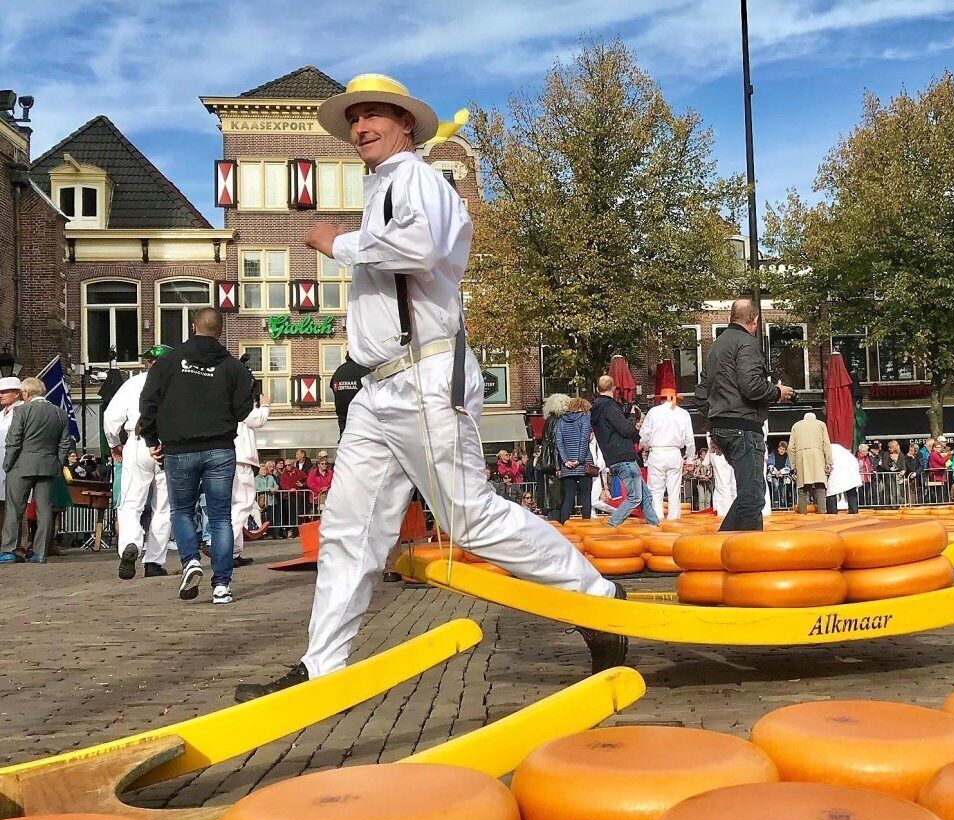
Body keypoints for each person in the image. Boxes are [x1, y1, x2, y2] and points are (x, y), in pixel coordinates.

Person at [237, 75, 625, 700]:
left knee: (467, 516)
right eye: (354, 119)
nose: (361, 127)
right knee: (347, 526)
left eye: (374, 116)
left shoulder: (416, 178)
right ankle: (321, 665)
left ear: (406, 125)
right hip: (378, 386)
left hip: (423, 373)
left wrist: (338, 242)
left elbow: (420, 248)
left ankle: (599, 595)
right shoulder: (383, 187)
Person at [138, 307, 254, 603]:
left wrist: (152, 439)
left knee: (181, 510)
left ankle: (190, 560)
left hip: (179, 448)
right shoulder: (233, 367)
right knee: (220, 517)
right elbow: (244, 410)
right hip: (219, 448)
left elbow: (148, 402)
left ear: (193, 326)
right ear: (220, 330)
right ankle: (222, 585)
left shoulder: (168, 362)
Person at [696, 298, 794, 531]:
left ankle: (727, 546)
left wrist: (713, 425)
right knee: (753, 496)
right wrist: (777, 391)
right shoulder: (747, 343)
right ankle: (740, 555)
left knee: (750, 492)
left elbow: (701, 395)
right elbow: (750, 386)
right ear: (755, 320)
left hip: (722, 426)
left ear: (731, 317)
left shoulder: (715, 347)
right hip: (743, 426)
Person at [103, 346, 174, 579]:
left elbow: (111, 417)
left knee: (131, 502)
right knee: (163, 507)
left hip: (138, 441)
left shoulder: (134, 383)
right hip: (170, 445)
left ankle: (130, 545)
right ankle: (154, 561)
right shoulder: (179, 383)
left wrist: (114, 443)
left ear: (148, 363)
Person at [0, 377, 72, 564]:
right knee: (45, 510)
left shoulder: (22, 410)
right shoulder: (60, 413)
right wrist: (58, 462)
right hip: (48, 466)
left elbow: (14, 440)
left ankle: (10, 550)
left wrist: (7, 464)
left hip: (21, 466)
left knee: (14, 509)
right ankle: (40, 552)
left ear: (26, 393)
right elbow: (66, 443)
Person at [592, 375, 658, 527]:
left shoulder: (596, 410)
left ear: (597, 389)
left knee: (646, 495)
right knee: (635, 497)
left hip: (613, 456)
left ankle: (654, 524)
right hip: (623, 456)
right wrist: (633, 416)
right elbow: (626, 429)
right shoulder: (609, 407)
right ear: (614, 388)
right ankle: (612, 523)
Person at [640, 387, 695, 521]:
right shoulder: (683, 413)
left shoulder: (653, 412)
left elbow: (644, 434)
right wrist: (690, 458)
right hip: (674, 452)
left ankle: (657, 517)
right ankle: (674, 518)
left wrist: (646, 447)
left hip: (657, 452)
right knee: (674, 489)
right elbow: (690, 438)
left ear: (661, 399)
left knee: (655, 490)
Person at [231, 389, 271, 567]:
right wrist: (265, 404)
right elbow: (258, 420)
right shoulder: (238, 400)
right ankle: (221, 546)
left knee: (233, 506)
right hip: (241, 459)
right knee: (244, 504)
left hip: (228, 458)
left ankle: (233, 552)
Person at [554, 396, 594, 521]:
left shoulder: (561, 421)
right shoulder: (585, 419)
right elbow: (583, 441)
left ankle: (564, 525)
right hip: (584, 464)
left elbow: (559, 443)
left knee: (569, 497)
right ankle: (586, 525)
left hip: (567, 466)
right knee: (586, 497)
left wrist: (566, 460)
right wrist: (579, 460)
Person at [788, 411, 832, 513]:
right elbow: (826, 444)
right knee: (820, 487)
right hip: (818, 457)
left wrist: (794, 465)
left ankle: (802, 514)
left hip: (801, 457)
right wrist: (828, 462)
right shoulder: (821, 424)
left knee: (802, 489)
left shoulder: (796, 425)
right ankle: (822, 514)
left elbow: (790, 447)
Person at [0, 377, 20, 538]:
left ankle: (19, 545)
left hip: (15, 466)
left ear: (17, 394)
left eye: (5, 392)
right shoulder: (1, 414)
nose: (1, 395)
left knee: (16, 508)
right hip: (1, 467)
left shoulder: (22, 412)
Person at [329, 354, 368, 436]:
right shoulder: (363, 370)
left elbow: (333, 387)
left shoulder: (339, 371)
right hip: (362, 421)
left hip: (344, 421)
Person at [825, 442, 861, 514]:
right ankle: (854, 511)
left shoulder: (828, 449)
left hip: (841, 468)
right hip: (852, 467)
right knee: (851, 489)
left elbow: (828, 464)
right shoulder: (838, 447)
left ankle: (832, 512)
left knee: (831, 491)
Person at [766, 440, 793, 509]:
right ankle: (775, 503)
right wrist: (775, 472)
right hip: (774, 475)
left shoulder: (787, 457)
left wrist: (781, 472)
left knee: (783, 490)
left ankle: (783, 504)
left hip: (783, 476)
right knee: (776, 485)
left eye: (783, 449)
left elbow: (788, 467)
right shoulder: (773, 454)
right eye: (781, 449)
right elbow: (770, 464)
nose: (782, 451)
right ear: (778, 448)